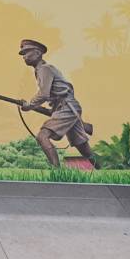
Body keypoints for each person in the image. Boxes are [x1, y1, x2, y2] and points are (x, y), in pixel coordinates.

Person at [18, 39, 98, 168]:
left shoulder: (44, 69)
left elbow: (43, 94)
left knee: (42, 136)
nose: (24, 56)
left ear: (37, 53)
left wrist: (30, 105)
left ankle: (56, 171)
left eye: (27, 52)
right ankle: (106, 168)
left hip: (66, 107)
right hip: (66, 107)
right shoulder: (42, 70)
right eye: (23, 54)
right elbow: (52, 95)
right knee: (83, 148)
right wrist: (39, 107)